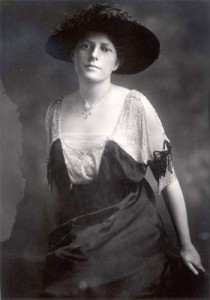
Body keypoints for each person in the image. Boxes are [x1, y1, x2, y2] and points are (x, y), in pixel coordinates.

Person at [42, 3, 205, 298]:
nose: (94, 55)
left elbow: (168, 180)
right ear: (73, 54)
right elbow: (61, 194)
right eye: (86, 46)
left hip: (131, 239)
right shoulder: (54, 112)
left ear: (116, 62)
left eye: (105, 49)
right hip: (77, 241)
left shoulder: (136, 106)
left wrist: (186, 245)